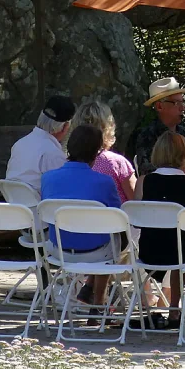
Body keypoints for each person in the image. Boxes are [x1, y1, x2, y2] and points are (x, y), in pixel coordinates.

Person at [134, 131, 185, 325]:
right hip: (183, 254)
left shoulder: (143, 181)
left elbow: (137, 218)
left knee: (178, 242)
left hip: (149, 250)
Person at [39, 124, 121, 307]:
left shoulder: (47, 178)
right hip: (96, 251)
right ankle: (99, 303)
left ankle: (92, 294)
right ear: (97, 152)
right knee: (112, 239)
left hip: (58, 249)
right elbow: (118, 219)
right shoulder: (104, 182)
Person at [130, 78, 185, 179]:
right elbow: (149, 177)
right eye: (176, 103)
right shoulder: (147, 135)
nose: (183, 108)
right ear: (159, 106)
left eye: (183, 102)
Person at [5, 95, 74, 196]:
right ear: (65, 127)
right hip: (39, 209)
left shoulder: (19, 144)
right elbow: (64, 192)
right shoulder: (53, 154)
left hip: (15, 208)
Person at [75, 99, 137, 202]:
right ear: (107, 127)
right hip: (114, 217)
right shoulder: (117, 163)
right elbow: (137, 203)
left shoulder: (68, 164)